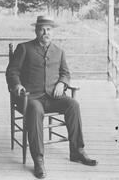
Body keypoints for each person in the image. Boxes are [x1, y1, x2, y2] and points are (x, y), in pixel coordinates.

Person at [6, 15, 98, 179]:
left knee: (73, 105)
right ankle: (38, 160)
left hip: (53, 97)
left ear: (52, 32)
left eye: (48, 29)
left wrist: (62, 83)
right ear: (36, 30)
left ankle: (77, 151)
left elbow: (65, 72)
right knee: (35, 108)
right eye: (42, 29)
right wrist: (17, 85)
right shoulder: (24, 48)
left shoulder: (59, 51)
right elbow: (12, 71)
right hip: (30, 98)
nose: (45, 32)